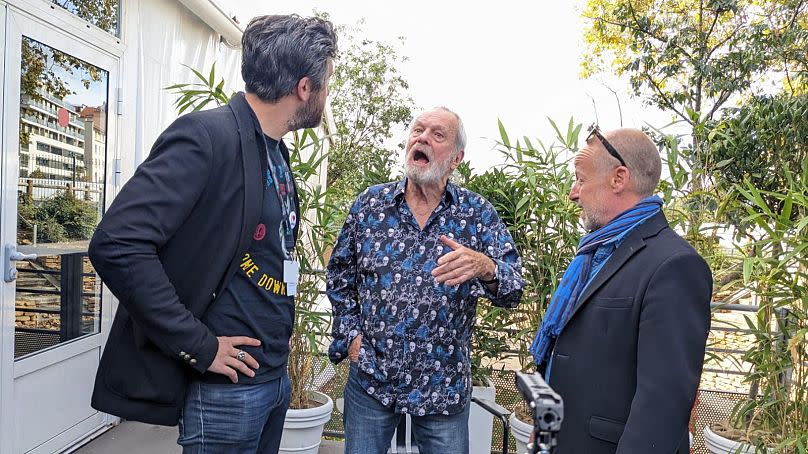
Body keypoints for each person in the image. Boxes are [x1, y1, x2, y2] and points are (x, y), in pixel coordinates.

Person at [87, 15, 337, 454]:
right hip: (226, 391)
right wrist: (198, 345)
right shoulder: (207, 136)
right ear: (304, 87)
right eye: (327, 83)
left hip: (272, 379)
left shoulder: (274, 150)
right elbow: (117, 243)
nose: (327, 94)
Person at [327, 107, 524, 454]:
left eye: (437, 135)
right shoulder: (370, 206)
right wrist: (351, 337)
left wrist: (484, 266)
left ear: (456, 158)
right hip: (372, 375)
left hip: (442, 386)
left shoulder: (476, 214)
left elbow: (513, 287)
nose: (423, 138)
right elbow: (340, 275)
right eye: (418, 130)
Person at [529, 126, 712, 453]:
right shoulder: (594, 256)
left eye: (581, 179)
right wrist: (547, 431)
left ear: (618, 178)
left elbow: (662, 407)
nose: (574, 193)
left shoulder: (674, 265)